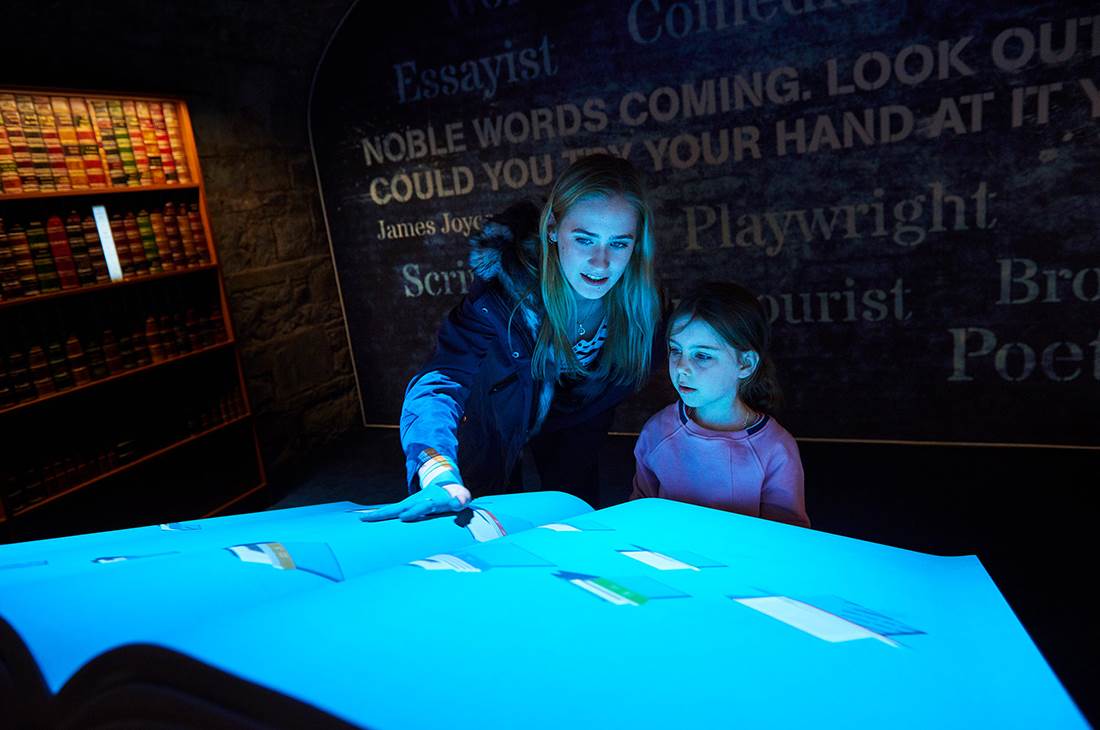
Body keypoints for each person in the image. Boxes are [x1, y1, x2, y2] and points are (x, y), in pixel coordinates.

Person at [364, 154, 662, 522]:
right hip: (496, 417)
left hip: (576, 427)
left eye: (618, 244)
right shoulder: (502, 297)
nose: (601, 262)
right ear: (552, 228)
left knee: (576, 517)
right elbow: (442, 378)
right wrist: (435, 466)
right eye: (584, 239)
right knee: (483, 519)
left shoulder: (641, 304)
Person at [630, 281, 810, 527]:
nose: (682, 367)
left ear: (745, 364)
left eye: (702, 355)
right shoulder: (656, 431)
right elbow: (638, 518)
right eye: (676, 350)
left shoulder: (776, 449)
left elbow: (787, 539)